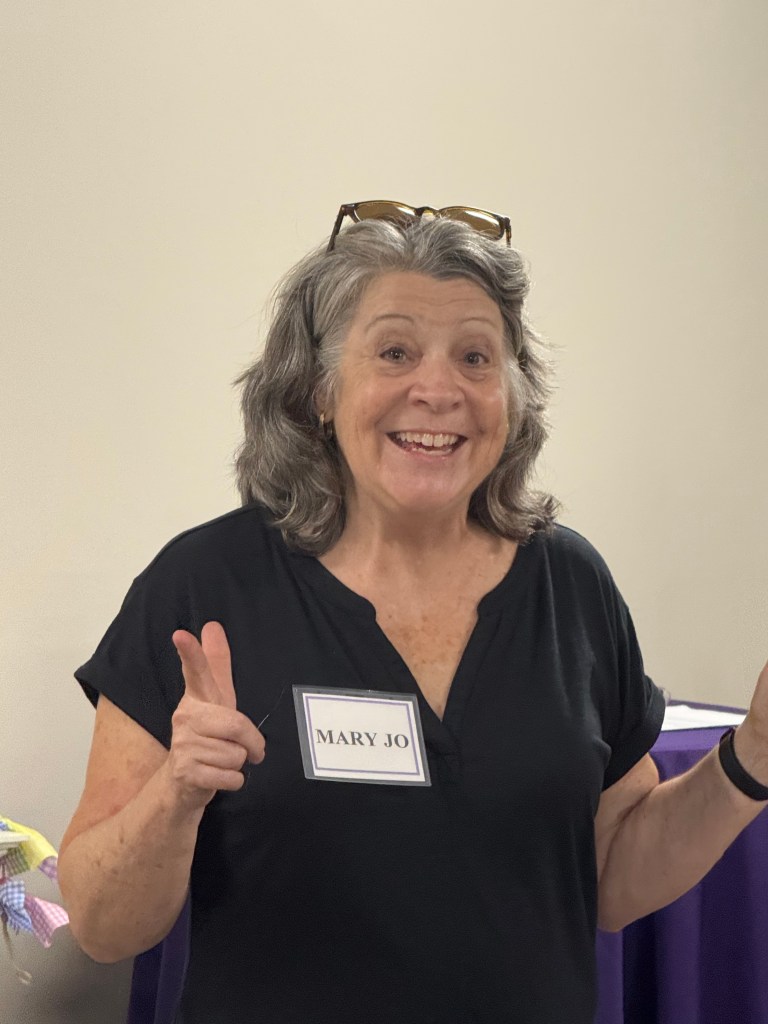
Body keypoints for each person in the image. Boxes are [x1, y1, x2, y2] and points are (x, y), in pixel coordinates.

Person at [58, 201, 768, 1024]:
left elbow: (610, 873)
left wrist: (751, 757)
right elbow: (103, 928)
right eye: (395, 352)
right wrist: (176, 795)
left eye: (475, 357)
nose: (438, 390)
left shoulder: (570, 585)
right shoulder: (206, 585)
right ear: (321, 391)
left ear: (512, 396)